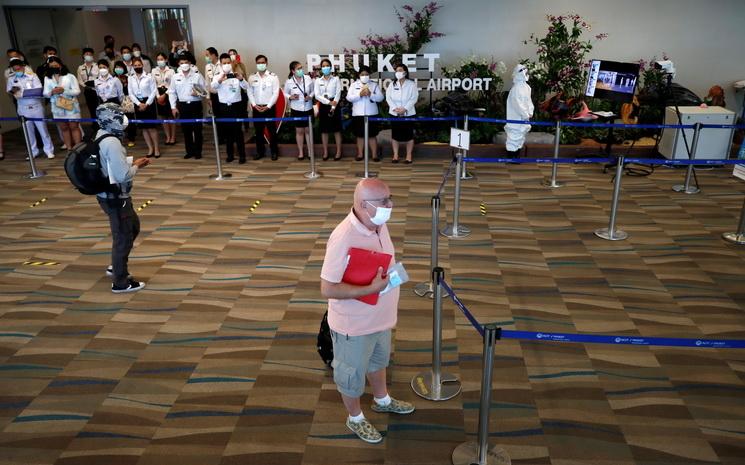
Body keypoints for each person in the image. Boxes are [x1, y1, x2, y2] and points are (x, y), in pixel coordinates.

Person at [320, 178, 415, 444]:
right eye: (384, 201)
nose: (390, 204)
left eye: (390, 197)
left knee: (378, 361)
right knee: (350, 375)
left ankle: (382, 399)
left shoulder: (378, 224)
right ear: (363, 204)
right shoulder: (343, 237)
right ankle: (355, 418)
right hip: (354, 325)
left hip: (380, 318)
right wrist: (368, 290)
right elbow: (327, 288)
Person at [95, 102, 150, 293]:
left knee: (132, 227)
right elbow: (122, 175)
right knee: (123, 236)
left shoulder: (102, 135)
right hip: (116, 197)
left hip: (108, 194)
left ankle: (116, 264)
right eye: (119, 115)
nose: (123, 119)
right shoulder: (112, 143)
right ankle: (120, 281)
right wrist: (137, 166)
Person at [7, 57, 54, 159]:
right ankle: (33, 151)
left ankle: (49, 150)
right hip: (23, 108)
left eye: (18, 69)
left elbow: (38, 91)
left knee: (43, 130)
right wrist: (18, 93)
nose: (17, 71)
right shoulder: (11, 79)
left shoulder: (32, 76)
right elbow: (11, 93)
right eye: (15, 69)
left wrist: (22, 93)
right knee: (28, 132)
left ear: (23, 67)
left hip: (36, 107)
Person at [168, 52, 206, 160]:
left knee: (197, 130)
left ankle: (198, 151)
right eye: (181, 63)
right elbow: (172, 92)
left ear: (189, 63)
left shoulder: (197, 75)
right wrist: (173, 107)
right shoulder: (175, 77)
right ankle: (189, 151)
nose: (184, 64)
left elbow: (205, 91)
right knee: (186, 130)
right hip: (182, 106)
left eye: (186, 62)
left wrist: (198, 93)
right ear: (178, 64)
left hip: (195, 105)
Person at [211, 53, 248, 163]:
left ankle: (242, 156)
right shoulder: (218, 75)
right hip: (223, 107)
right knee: (227, 133)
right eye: (224, 63)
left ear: (231, 63)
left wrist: (241, 79)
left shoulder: (237, 73)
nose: (226, 65)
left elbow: (246, 87)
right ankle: (230, 155)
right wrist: (220, 80)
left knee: (238, 132)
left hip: (236, 106)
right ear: (221, 64)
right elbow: (213, 86)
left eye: (228, 62)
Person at [42, 56, 82, 150]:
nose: (54, 68)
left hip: (71, 106)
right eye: (51, 66)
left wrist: (64, 90)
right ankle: (69, 148)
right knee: (63, 128)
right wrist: (51, 92)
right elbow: (45, 93)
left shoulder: (70, 76)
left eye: (56, 65)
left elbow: (77, 91)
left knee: (74, 127)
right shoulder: (47, 78)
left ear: (60, 65)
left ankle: (79, 148)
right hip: (57, 107)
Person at [347, 65, 383, 162]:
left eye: (366, 74)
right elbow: (349, 98)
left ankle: (375, 155)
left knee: (372, 135)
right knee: (359, 135)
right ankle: (360, 154)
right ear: (359, 75)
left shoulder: (374, 85)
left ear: (369, 75)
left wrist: (371, 94)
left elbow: (380, 98)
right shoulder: (354, 85)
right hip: (358, 114)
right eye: (362, 74)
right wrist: (360, 94)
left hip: (372, 114)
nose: (364, 76)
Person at [248, 54, 280, 160]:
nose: (261, 64)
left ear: (266, 63)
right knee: (258, 132)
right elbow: (250, 92)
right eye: (259, 63)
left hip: (269, 108)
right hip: (257, 108)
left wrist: (269, 106)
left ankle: (274, 152)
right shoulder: (252, 77)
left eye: (263, 62)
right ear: (256, 64)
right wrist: (254, 105)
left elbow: (276, 93)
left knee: (272, 131)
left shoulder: (273, 76)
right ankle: (260, 152)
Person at [385, 63, 419, 164]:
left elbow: (414, 98)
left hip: (408, 113)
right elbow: (388, 98)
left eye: (400, 70)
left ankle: (409, 156)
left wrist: (405, 109)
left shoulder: (411, 84)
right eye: (397, 71)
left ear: (405, 72)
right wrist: (395, 108)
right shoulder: (392, 84)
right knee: (395, 135)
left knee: (409, 135)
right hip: (394, 113)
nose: (398, 72)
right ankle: (395, 155)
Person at [129, 57, 160, 158]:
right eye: (135, 65)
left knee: (151, 127)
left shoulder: (149, 76)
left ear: (142, 65)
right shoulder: (131, 78)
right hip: (137, 103)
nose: (137, 67)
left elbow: (153, 91)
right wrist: (139, 104)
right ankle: (150, 148)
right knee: (144, 129)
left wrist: (146, 104)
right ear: (132, 67)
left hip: (149, 103)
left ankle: (156, 148)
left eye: (139, 65)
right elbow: (130, 93)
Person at [284, 60, 314, 161]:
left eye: (301, 68)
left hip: (308, 107)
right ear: (293, 71)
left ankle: (310, 152)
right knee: (299, 131)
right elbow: (285, 93)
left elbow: (314, 90)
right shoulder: (289, 81)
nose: (301, 70)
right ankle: (301, 152)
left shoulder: (308, 78)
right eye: (298, 69)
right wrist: (291, 97)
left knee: (308, 131)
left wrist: (310, 96)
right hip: (296, 109)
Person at [314, 58, 343, 161]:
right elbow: (317, 95)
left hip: (335, 104)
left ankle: (339, 152)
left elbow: (338, 93)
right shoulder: (318, 80)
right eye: (323, 66)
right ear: (321, 68)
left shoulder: (336, 79)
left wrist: (333, 105)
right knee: (324, 130)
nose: (325, 67)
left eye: (327, 66)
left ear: (330, 67)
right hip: (324, 105)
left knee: (337, 130)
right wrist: (328, 103)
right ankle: (325, 152)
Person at [505, 63, 534, 157]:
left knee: (521, 136)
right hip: (515, 117)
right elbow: (517, 104)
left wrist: (530, 112)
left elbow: (529, 101)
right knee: (513, 136)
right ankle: (511, 156)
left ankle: (517, 155)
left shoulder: (527, 88)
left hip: (524, 118)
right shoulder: (516, 89)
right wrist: (526, 113)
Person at [152, 52, 176, 145]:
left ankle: (173, 137)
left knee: (171, 117)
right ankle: (168, 136)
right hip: (158, 94)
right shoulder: (154, 71)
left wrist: (165, 95)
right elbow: (153, 85)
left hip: (169, 93)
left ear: (166, 60)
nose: (160, 61)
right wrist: (158, 97)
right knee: (163, 117)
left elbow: (172, 85)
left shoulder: (171, 71)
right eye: (158, 59)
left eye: (161, 59)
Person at [114, 60, 136, 147]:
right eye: (116, 67)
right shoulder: (113, 79)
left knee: (129, 120)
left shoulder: (128, 78)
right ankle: (120, 138)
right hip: (116, 101)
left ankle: (131, 138)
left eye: (120, 67)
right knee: (119, 121)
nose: (118, 69)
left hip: (127, 101)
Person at [77, 48, 100, 127]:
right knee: (91, 109)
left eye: (90, 54)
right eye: (86, 54)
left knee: (99, 108)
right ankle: (95, 126)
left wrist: (96, 85)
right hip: (87, 90)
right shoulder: (80, 68)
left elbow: (100, 78)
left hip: (97, 90)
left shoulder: (97, 66)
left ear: (93, 56)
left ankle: (102, 125)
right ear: (83, 56)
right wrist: (85, 86)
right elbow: (79, 80)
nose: (88, 56)